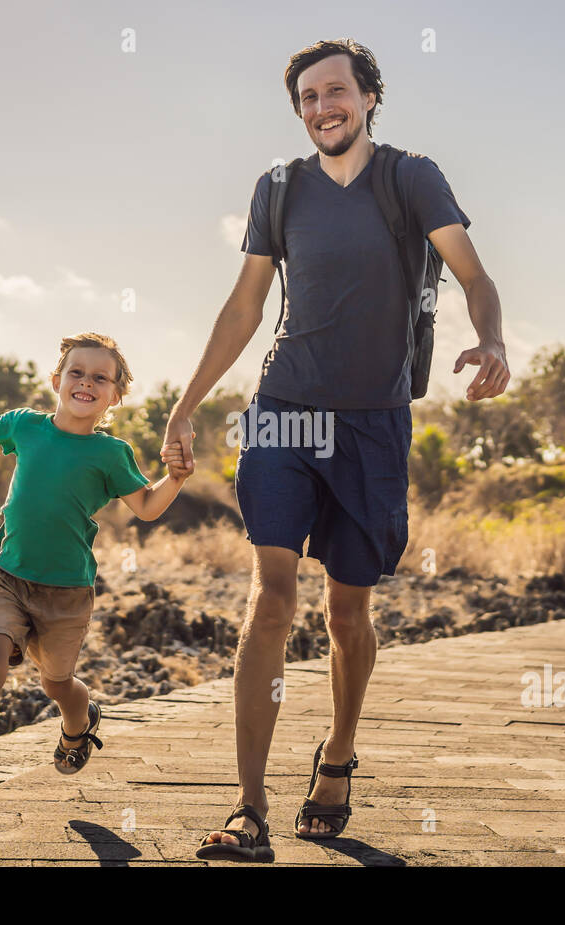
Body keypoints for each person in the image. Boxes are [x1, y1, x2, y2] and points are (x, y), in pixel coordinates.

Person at [161, 38, 510, 861]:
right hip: (283, 413)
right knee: (271, 596)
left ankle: (338, 756)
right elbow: (246, 307)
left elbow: (474, 275)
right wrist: (184, 403)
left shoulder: (410, 177)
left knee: (347, 611)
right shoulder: (279, 190)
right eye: (308, 99)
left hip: (373, 424)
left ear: (369, 98)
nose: (322, 109)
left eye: (335, 93)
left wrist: (491, 339)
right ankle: (250, 811)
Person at [0, 332, 193, 817]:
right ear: (56, 380)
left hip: (67, 594)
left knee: (56, 684)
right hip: (9, 577)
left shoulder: (112, 454)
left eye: (100, 377)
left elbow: (148, 507)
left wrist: (175, 477)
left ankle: (79, 721)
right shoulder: (25, 426)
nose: (86, 382)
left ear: (115, 395)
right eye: (76, 372)